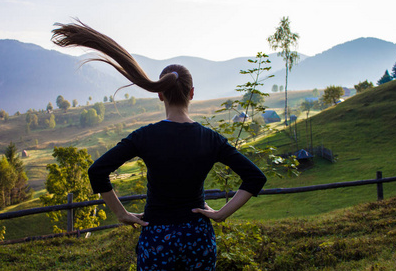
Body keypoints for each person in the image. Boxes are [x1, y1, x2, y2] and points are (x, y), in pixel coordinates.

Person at [51, 20, 267, 270]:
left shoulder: (144, 136)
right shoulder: (210, 139)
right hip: (197, 237)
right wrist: (221, 214)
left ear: (160, 94)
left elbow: (97, 171)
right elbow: (255, 178)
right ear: (192, 93)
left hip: (156, 239)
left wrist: (121, 213)